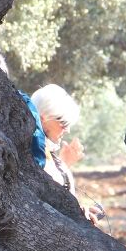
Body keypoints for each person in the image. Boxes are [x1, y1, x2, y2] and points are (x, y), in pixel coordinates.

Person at [30, 84, 103, 223]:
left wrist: (64, 164)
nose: (67, 130)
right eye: (63, 124)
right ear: (43, 117)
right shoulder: (33, 151)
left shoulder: (45, 150)